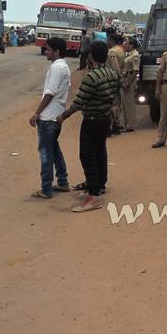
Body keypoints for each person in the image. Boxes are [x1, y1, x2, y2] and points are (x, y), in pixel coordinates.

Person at [57, 42, 120, 212]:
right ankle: (99, 185)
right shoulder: (111, 73)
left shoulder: (91, 77)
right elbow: (115, 94)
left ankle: (93, 196)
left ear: (91, 56)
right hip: (105, 118)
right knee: (100, 151)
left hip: (92, 120)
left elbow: (79, 101)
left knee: (87, 156)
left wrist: (64, 115)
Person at [29, 37, 71, 199]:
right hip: (57, 116)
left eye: (48, 49)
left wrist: (36, 113)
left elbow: (50, 93)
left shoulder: (56, 68)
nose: (45, 52)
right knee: (55, 149)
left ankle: (46, 188)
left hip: (48, 118)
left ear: (57, 51)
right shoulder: (65, 67)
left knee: (46, 153)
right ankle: (62, 181)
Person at [106, 33, 126, 136]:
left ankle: (111, 126)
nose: (107, 41)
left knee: (111, 104)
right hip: (117, 79)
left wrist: (117, 77)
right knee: (117, 103)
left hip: (111, 79)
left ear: (112, 40)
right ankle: (116, 124)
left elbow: (115, 68)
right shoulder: (121, 50)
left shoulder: (112, 52)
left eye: (108, 40)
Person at [120, 37, 140, 132]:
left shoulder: (135, 55)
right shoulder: (130, 54)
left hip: (129, 79)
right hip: (125, 78)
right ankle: (126, 123)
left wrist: (128, 83)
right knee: (125, 103)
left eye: (127, 43)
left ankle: (130, 125)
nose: (125, 45)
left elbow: (135, 71)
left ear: (132, 45)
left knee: (129, 104)